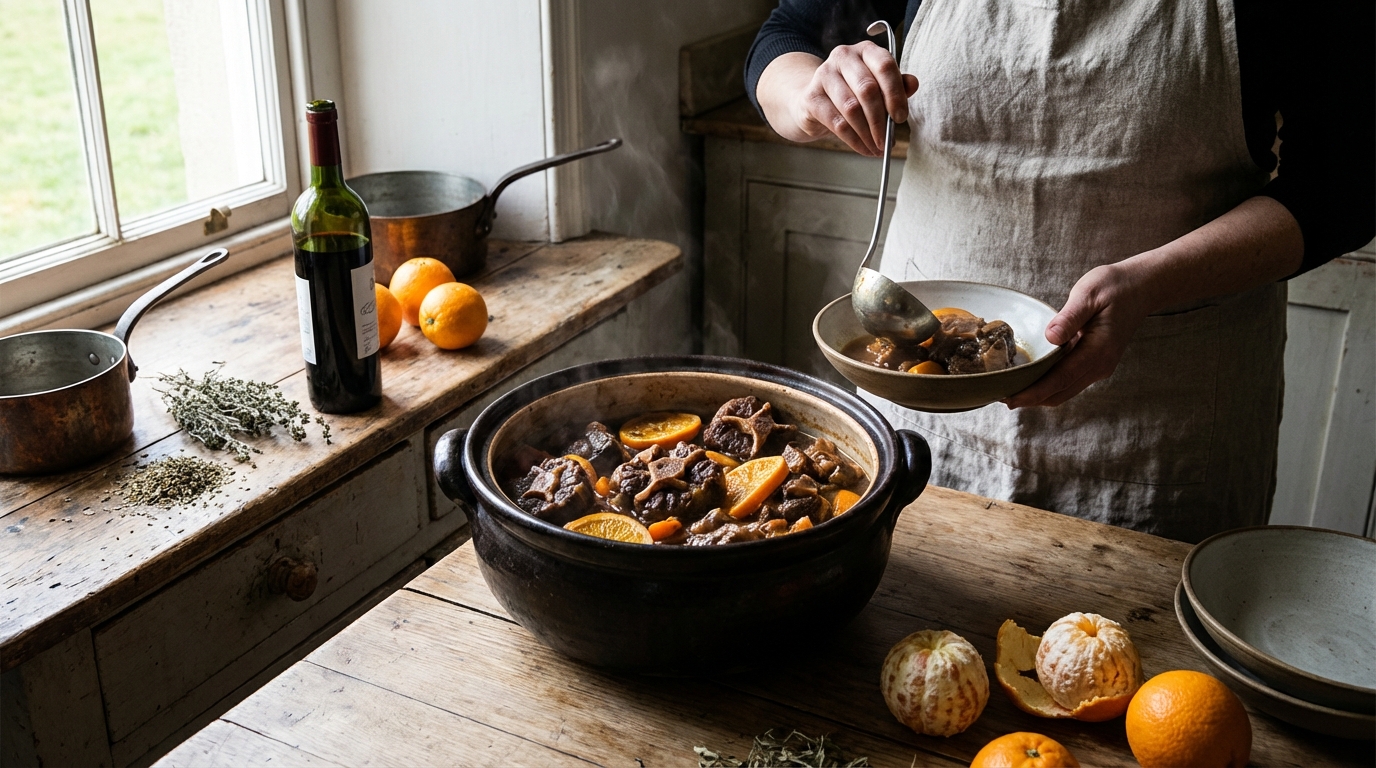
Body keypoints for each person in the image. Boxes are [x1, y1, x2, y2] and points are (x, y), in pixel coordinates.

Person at [747, 0, 1374, 542]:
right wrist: (811, 93)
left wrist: (1152, 282)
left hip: (1161, 410)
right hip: (926, 386)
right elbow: (783, 38)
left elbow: (1346, 187)